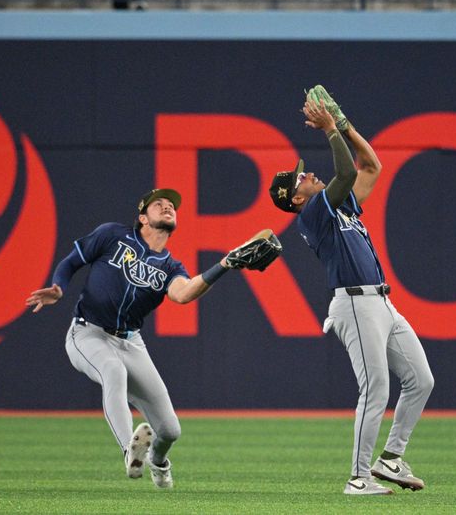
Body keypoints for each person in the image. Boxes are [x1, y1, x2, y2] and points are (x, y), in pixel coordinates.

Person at [26, 188, 253, 488]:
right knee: (113, 370)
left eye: (172, 205)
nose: (168, 207)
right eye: (159, 204)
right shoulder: (112, 236)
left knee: (170, 430)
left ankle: (158, 463)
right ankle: (128, 450)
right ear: (142, 217)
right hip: (87, 333)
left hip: (131, 342)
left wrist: (224, 265)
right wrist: (58, 287)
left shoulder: (170, 267)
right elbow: (71, 262)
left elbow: (183, 293)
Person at [268, 85, 435, 495]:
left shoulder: (339, 204)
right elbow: (345, 173)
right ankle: (358, 478)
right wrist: (328, 131)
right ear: (293, 198)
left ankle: (391, 459)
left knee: (421, 380)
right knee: (375, 388)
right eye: (299, 177)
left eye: (304, 170)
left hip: (382, 302)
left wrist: (343, 125)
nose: (307, 173)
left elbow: (371, 166)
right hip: (354, 304)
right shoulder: (313, 214)